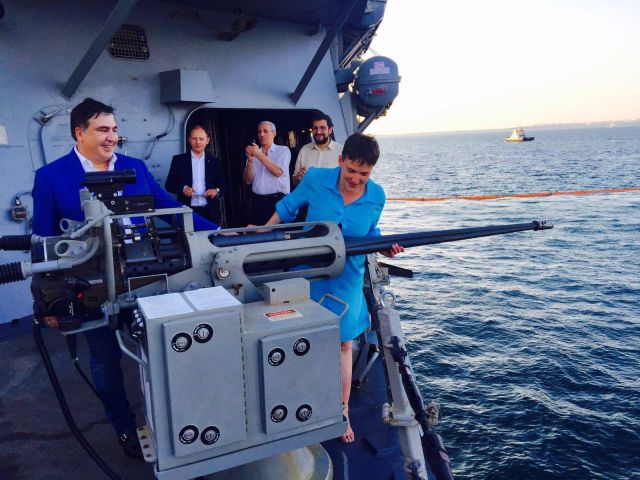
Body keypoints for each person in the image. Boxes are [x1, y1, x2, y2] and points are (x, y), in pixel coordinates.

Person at [31, 98, 219, 460]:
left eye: (115, 129)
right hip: (90, 288)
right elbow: (43, 243)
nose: (112, 137)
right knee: (104, 361)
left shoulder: (135, 167)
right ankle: (123, 426)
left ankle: (177, 426)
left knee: (166, 350)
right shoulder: (51, 177)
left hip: (146, 279)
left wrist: (221, 233)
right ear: (79, 133)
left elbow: (170, 208)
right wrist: (48, 300)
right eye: (103, 129)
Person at [263, 133, 403, 443]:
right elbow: (287, 208)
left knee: (343, 344)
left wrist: (385, 247)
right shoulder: (316, 179)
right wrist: (259, 232)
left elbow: (371, 232)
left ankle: (342, 411)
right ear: (340, 160)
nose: (356, 179)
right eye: (351, 170)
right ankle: (295, 405)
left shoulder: (376, 195)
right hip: (308, 272)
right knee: (301, 337)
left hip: (347, 276)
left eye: (364, 174)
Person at [165, 125, 227, 225]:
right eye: (194, 138)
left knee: (211, 235)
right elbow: (169, 185)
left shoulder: (215, 162)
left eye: (201, 139)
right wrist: (183, 189)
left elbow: (224, 187)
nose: (198, 142)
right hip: (187, 211)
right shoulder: (178, 160)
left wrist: (216, 190)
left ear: (207, 140)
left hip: (210, 212)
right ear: (189, 139)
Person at [243, 121, 291, 225]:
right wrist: (250, 161)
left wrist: (259, 155)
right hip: (258, 202)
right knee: (258, 233)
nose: (261, 134)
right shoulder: (254, 153)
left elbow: (278, 172)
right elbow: (247, 180)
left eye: (265, 131)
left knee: (280, 233)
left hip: (279, 201)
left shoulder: (283, 150)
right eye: (259, 131)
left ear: (274, 133)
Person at [292, 111, 342, 186]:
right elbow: (294, 181)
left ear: (330, 130)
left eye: (322, 128)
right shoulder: (304, 150)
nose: (318, 132)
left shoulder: (341, 151)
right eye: (315, 128)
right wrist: (299, 178)